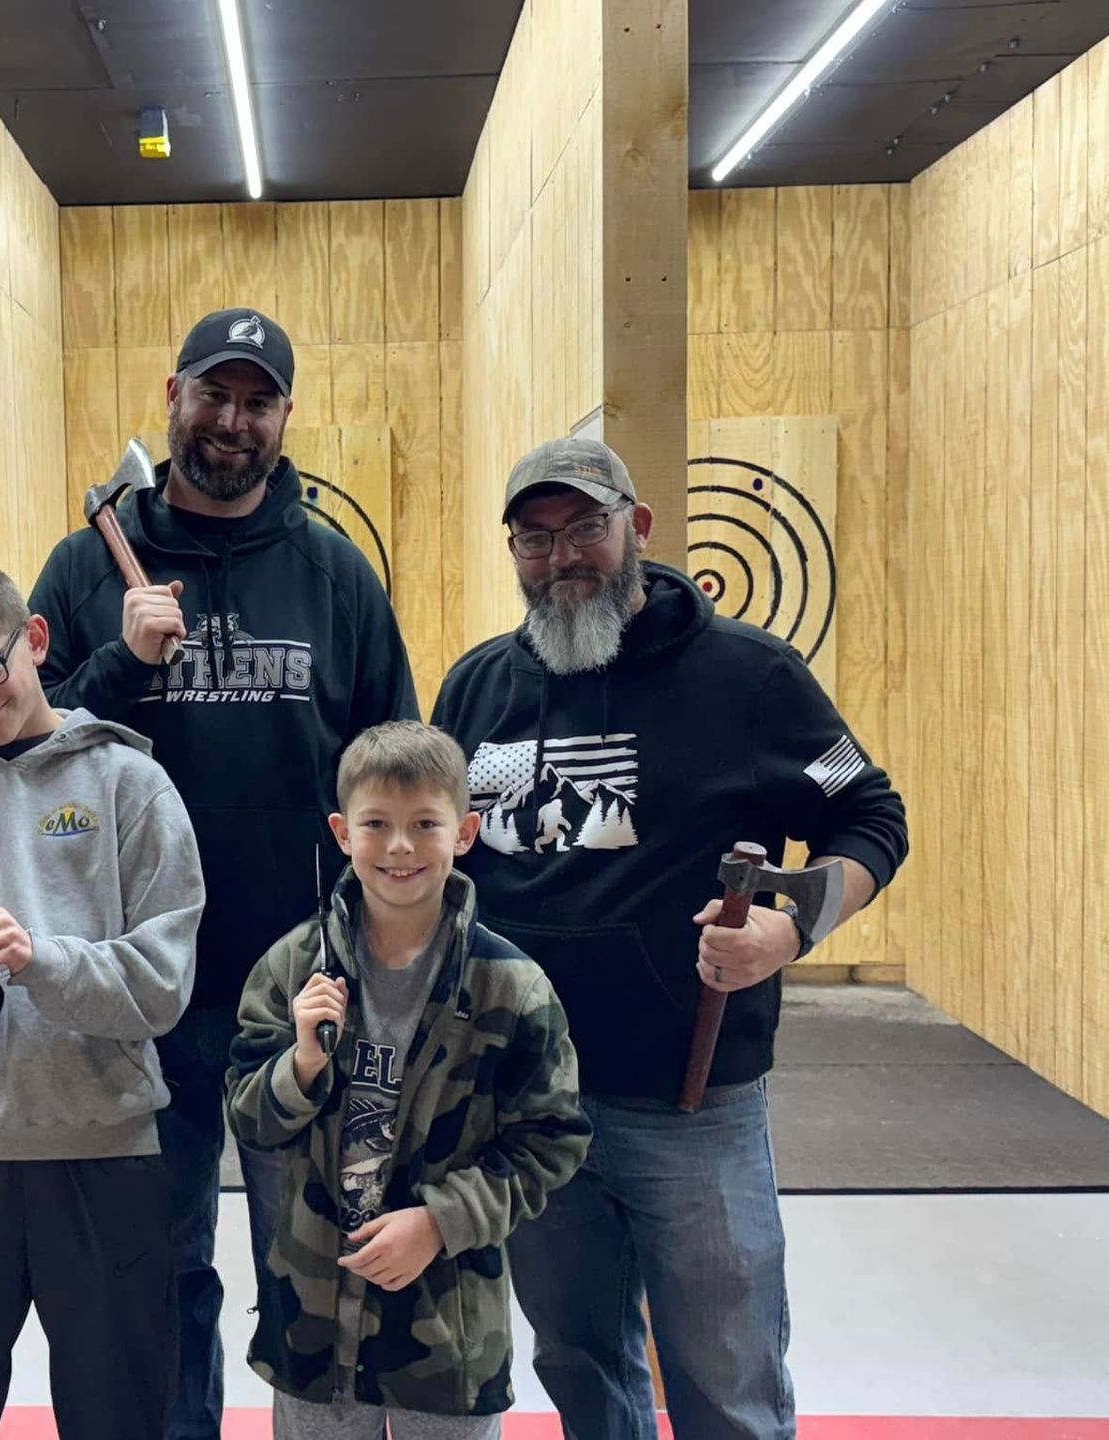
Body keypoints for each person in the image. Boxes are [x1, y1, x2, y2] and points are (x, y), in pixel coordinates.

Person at [431, 436, 910, 1440]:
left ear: (638, 528)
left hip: (692, 1109)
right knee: (577, 1361)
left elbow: (869, 813)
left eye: (585, 529)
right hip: (531, 1104)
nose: (562, 556)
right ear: (511, 550)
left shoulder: (749, 678)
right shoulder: (476, 690)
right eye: (535, 536)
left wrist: (790, 928)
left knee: (724, 1377)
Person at [29, 306, 419, 1438]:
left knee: (320, 1275)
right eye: (214, 394)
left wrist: (382, 953)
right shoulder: (85, 565)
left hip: (298, 999)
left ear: (286, 418)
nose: (233, 421)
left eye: (258, 401)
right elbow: (23, 751)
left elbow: (393, 773)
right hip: (133, 1000)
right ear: (172, 395)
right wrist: (121, 663)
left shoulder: (335, 577)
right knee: (157, 1282)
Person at [0, 555, 205, 1440]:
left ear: (36, 641)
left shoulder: (132, 785)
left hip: (105, 1155)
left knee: (117, 1418)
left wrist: (38, 959)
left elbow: (163, 986)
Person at [226, 720, 591, 1437]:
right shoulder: (291, 968)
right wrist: (301, 1063)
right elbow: (249, 1121)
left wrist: (441, 1221)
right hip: (313, 1325)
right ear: (341, 831)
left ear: (465, 832)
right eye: (376, 824)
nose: (399, 846)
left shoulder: (512, 989)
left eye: (425, 823)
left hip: (446, 1331)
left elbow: (552, 1142)